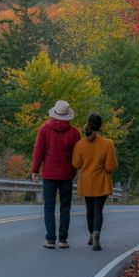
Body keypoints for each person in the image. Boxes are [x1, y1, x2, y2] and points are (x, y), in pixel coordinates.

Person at [31, 100, 81, 249]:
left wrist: (35, 170)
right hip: (66, 175)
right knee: (65, 208)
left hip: (49, 174)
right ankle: (63, 240)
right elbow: (77, 155)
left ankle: (50, 240)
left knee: (49, 207)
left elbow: (38, 151)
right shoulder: (74, 132)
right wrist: (74, 170)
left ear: (54, 113)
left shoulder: (45, 129)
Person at [72, 112, 118, 251]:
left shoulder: (80, 144)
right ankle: (96, 233)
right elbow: (110, 166)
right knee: (98, 210)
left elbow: (76, 164)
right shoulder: (108, 143)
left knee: (89, 209)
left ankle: (91, 234)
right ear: (100, 126)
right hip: (101, 182)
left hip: (87, 182)